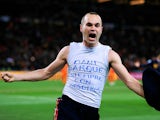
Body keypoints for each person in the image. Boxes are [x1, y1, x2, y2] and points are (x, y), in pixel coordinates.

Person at [1, 12, 144, 120]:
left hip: (91, 111)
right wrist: (16, 76)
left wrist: (154, 97)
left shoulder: (110, 54)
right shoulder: (69, 50)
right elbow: (46, 72)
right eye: (89, 25)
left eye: (96, 25)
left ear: (101, 29)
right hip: (68, 107)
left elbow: (130, 81)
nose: (93, 28)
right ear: (81, 28)